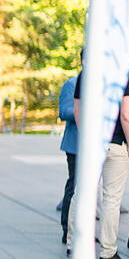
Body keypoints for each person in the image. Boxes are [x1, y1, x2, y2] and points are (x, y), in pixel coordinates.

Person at [67, 66, 129, 259]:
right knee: (112, 199)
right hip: (115, 144)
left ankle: (74, 245)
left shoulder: (87, 72)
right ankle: (107, 252)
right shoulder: (124, 73)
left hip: (92, 145)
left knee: (81, 194)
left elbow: (78, 110)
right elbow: (126, 114)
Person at [58, 66, 79, 245]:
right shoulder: (71, 84)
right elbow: (63, 112)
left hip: (97, 146)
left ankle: (82, 230)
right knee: (74, 186)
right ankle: (67, 230)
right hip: (75, 145)